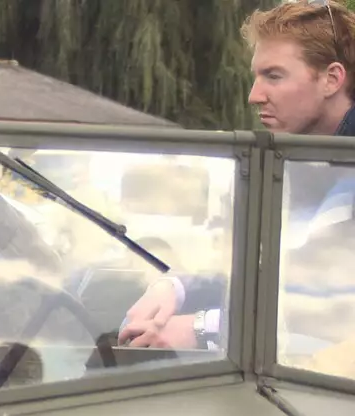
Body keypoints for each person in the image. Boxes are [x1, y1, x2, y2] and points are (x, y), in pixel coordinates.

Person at [121, 0, 355, 351]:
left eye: (273, 76)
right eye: (256, 76)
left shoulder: (331, 171)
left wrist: (205, 329)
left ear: (332, 79)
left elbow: (327, 303)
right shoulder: (299, 161)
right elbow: (259, 262)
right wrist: (173, 286)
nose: (253, 96)